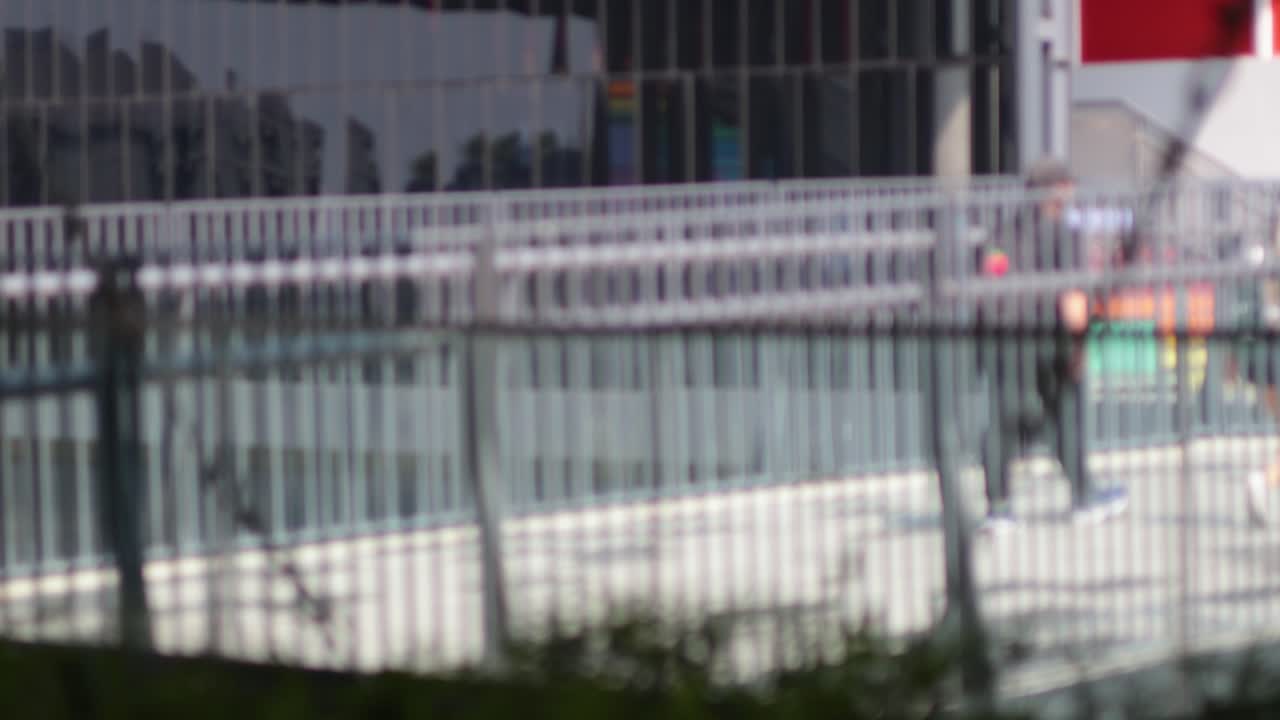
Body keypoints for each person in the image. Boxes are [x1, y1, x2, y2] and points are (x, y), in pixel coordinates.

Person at [974, 158, 1130, 533]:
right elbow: (1074, 300)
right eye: (1068, 185)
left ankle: (998, 508)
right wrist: (1080, 348)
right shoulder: (1066, 235)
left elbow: (989, 284)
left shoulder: (999, 234)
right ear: (1058, 189)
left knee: (1001, 422)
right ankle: (1084, 498)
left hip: (1005, 339)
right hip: (1050, 338)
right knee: (1066, 416)